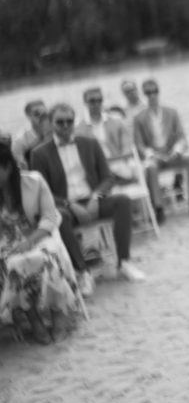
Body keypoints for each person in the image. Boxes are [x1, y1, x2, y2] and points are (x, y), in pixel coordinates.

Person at [30, 103, 144, 283]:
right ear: (51, 123)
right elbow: (44, 192)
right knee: (58, 216)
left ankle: (124, 262)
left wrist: (96, 197)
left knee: (123, 201)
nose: (66, 126)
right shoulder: (40, 154)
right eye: (60, 122)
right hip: (66, 206)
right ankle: (83, 272)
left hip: (93, 200)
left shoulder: (89, 144)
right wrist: (70, 204)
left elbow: (107, 177)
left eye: (69, 121)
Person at [0, 142, 84, 343]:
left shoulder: (34, 182)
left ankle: (58, 314)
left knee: (46, 257)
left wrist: (30, 241)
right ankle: (33, 318)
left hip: (39, 235)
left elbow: (49, 217)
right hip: (5, 243)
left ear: (8, 166)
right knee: (11, 264)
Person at [133, 78, 189, 218]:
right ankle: (159, 208)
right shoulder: (139, 118)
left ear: (158, 92)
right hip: (155, 158)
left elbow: (182, 137)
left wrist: (176, 151)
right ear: (144, 95)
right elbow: (139, 145)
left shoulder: (172, 112)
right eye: (148, 92)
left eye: (154, 92)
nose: (152, 95)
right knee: (150, 168)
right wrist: (153, 155)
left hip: (172, 154)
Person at [75, 86, 140, 184]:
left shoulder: (116, 122)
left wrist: (120, 160)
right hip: (97, 169)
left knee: (134, 169)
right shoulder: (79, 129)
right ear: (85, 103)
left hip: (118, 163)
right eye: (92, 101)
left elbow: (127, 146)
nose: (96, 104)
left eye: (99, 100)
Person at [11, 100, 51, 170]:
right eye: (37, 114)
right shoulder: (19, 142)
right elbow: (22, 168)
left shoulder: (55, 131)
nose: (42, 117)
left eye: (44, 114)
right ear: (28, 116)